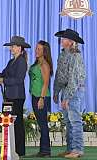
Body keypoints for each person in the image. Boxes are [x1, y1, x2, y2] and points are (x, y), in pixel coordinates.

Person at [0, 36, 31, 156]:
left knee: (17, 123)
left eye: (13, 46)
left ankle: (19, 150)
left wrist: (3, 80)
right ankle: (12, 148)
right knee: (11, 123)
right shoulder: (11, 61)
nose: (11, 48)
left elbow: (18, 79)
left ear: (19, 48)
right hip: (10, 96)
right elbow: (3, 73)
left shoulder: (21, 61)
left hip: (17, 97)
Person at [53, 29, 86, 158]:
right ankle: (70, 148)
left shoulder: (75, 56)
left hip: (74, 90)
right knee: (68, 121)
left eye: (65, 38)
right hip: (66, 89)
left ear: (71, 42)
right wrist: (56, 91)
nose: (62, 40)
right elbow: (59, 75)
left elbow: (73, 78)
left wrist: (67, 97)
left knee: (75, 120)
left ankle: (77, 149)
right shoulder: (62, 55)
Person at [29, 40, 53, 157]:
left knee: (43, 124)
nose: (36, 51)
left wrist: (42, 98)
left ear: (45, 51)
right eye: (36, 48)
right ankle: (43, 150)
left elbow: (46, 83)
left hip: (41, 96)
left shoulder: (45, 65)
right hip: (35, 95)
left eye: (39, 49)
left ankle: (46, 151)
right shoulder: (37, 63)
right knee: (41, 123)